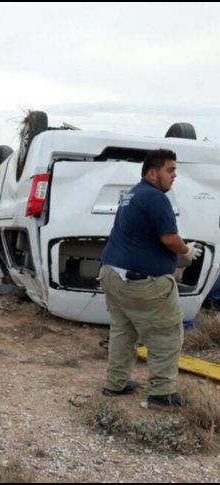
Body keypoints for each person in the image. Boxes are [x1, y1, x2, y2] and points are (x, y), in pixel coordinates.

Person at [99, 149, 201, 408]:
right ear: (152, 173)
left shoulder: (131, 194)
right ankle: (161, 394)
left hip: (112, 275)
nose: (174, 175)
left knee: (124, 331)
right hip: (143, 283)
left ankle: (116, 383)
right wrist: (186, 250)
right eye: (170, 170)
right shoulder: (156, 198)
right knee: (166, 335)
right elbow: (169, 238)